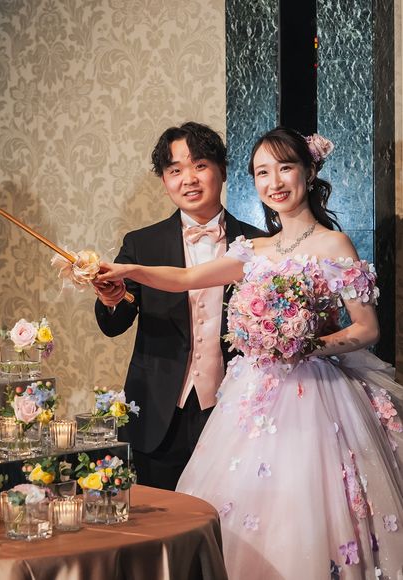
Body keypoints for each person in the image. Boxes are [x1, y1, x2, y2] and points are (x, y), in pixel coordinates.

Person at [96, 127, 403, 578]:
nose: (274, 182)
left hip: (317, 398)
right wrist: (126, 270)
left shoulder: (334, 245)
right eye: (262, 172)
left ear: (308, 172)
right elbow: (185, 278)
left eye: (285, 168)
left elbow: (367, 328)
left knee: (305, 508)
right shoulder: (253, 249)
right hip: (254, 397)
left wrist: (304, 345)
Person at [94, 122, 264, 490]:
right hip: (158, 411)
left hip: (236, 408)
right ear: (164, 181)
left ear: (222, 170)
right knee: (162, 514)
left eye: (200, 165)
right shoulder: (142, 244)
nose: (189, 179)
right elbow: (115, 321)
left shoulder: (260, 244)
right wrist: (110, 298)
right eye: (175, 170)